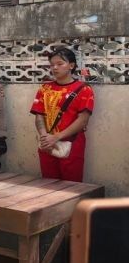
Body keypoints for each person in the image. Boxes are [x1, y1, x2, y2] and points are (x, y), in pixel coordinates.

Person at [31, 47, 94, 182]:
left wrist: (57, 137)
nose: (55, 68)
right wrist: (44, 136)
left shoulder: (84, 89)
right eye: (52, 64)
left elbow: (83, 120)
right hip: (47, 144)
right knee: (48, 183)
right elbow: (39, 115)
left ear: (71, 65)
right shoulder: (44, 88)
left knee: (72, 185)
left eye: (60, 64)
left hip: (72, 144)